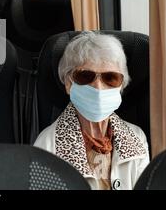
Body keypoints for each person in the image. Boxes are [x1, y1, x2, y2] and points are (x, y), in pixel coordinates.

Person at [34, 31, 149, 190]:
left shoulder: (137, 137)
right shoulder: (46, 145)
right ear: (68, 83)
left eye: (110, 78)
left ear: (121, 86)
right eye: (85, 76)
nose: (99, 87)